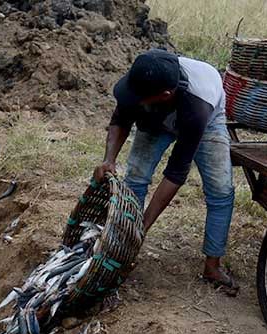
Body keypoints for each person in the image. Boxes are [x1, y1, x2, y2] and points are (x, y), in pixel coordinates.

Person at [94, 49, 238, 295]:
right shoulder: (142, 81)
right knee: (135, 179)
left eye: (141, 99)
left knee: (221, 191)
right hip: (156, 116)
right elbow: (121, 117)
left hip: (207, 121)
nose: (133, 99)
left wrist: (142, 227)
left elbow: (175, 174)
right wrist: (109, 160)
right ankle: (121, 248)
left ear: (164, 95)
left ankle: (212, 266)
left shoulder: (197, 107)